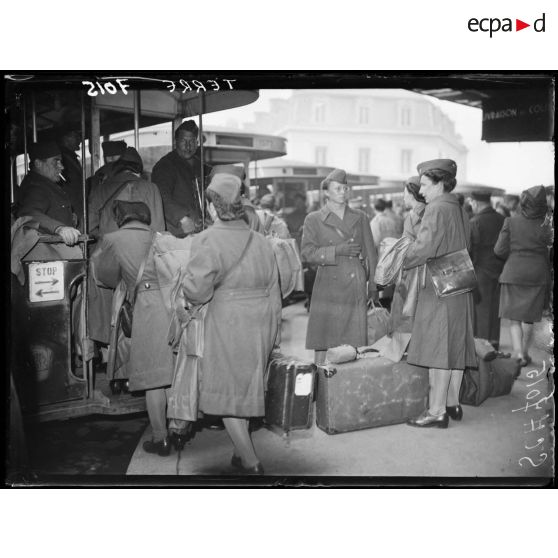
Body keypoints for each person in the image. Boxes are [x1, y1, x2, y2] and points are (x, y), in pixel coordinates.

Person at [180, 173, 282, 474]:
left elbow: (197, 291)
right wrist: (275, 330)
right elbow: (276, 288)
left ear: (213, 206)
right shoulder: (261, 241)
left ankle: (251, 462)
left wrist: (185, 280)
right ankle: (241, 452)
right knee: (247, 388)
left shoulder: (206, 240)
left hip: (229, 322)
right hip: (262, 319)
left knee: (227, 394)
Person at [91, 201, 175, 455]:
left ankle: (161, 438)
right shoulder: (163, 236)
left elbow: (105, 276)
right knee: (171, 373)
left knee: (153, 378)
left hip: (147, 308)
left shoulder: (113, 239)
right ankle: (179, 430)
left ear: (121, 218)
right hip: (172, 305)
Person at [403, 159, 476, 428]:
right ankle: (452, 403)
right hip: (459, 279)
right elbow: (466, 244)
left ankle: (436, 411)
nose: (420, 191)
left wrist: (402, 255)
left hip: (438, 285)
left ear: (439, 182)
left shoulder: (435, 209)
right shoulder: (458, 207)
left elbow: (424, 249)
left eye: (424, 184)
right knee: (456, 344)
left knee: (438, 348)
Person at [87, 147, 165, 348]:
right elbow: (159, 231)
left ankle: (108, 349)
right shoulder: (151, 188)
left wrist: (108, 235)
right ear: (138, 170)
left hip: (110, 261)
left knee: (106, 301)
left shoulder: (100, 189)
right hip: (142, 265)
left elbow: (90, 227)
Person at [301, 168, 378, 365]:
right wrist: (337, 250)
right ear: (326, 192)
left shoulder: (360, 217)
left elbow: (371, 252)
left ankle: (351, 390)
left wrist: (373, 286)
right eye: (338, 188)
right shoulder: (314, 219)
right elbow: (307, 253)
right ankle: (321, 389)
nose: (343, 192)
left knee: (354, 346)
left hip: (354, 286)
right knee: (325, 342)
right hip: (328, 288)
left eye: (345, 188)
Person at [494, 185, 553, 369]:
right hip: (538, 275)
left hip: (514, 273)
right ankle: (525, 353)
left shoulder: (510, 222)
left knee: (514, 318)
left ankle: (518, 353)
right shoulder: (546, 225)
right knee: (529, 318)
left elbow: (499, 250)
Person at [16, 140, 81, 253]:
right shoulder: (36, 187)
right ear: (38, 163)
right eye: (56, 162)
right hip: (48, 252)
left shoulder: (46, 183)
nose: (62, 167)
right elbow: (28, 213)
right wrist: (59, 228)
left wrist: (69, 216)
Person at [151, 120, 212, 237]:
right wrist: (182, 218)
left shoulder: (201, 166)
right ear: (176, 142)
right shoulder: (165, 166)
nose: (188, 146)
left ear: (198, 142)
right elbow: (161, 196)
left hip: (202, 231)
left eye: (192, 141)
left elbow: (214, 176)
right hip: (178, 232)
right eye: (184, 141)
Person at [469, 191, 505, 348]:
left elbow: (470, 249)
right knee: (495, 310)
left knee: (481, 311)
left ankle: (482, 350)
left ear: (476, 203)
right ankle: (494, 345)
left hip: (480, 272)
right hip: (500, 271)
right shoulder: (502, 219)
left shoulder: (475, 222)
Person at [56, 125, 86, 226]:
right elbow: (67, 187)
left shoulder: (71, 157)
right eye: (75, 136)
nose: (80, 139)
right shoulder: (61, 158)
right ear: (65, 138)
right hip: (71, 210)